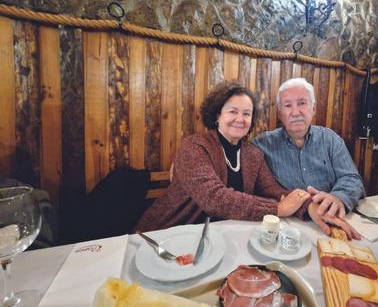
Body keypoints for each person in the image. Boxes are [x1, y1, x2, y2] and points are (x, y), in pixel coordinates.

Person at [136, 81, 311, 232]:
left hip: (223, 235)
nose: (240, 119)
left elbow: (273, 190)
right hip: (168, 234)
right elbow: (214, 198)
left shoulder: (253, 154)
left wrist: (308, 206)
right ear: (218, 115)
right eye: (233, 111)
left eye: (246, 114)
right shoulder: (194, 147)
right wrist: (277, 209)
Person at [253, 78, 364, 239]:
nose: (296, 112)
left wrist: (338, 198)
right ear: (279, 113)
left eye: (302, 103)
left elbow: (352, 178)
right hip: (288, 230)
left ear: (313, 108)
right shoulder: (261, 145)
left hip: (334, 220)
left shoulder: (331, 140)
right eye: (288, 105)